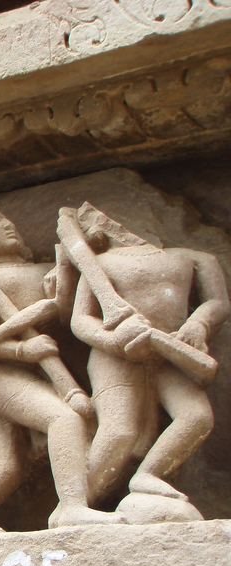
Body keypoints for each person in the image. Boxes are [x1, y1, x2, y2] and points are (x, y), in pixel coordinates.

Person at [0, 203, 118, 533]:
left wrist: (62, 288)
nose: (6, 225)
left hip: (37, 373)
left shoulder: (45, 269)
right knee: (64, 418)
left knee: (9, 463)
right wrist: (22, 348)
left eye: (6, 218)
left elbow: (65, 316)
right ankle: (72, 507)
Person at [64, 205, 230, 520]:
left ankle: (148, 474)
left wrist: (199, 323)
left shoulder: (191, 257)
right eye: (96, 218)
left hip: (171, 349)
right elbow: (80, 320)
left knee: (196, 416)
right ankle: (74, 507)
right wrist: (114, 341)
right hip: (116, 356)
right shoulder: (98, 264)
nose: (114, 221)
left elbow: (218, 301)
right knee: (119, 432)